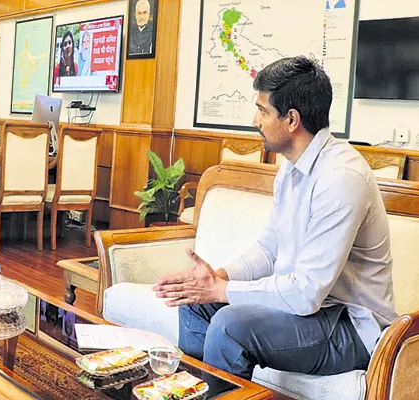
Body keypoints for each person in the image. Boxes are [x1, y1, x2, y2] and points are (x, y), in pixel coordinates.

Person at [153, 56, 397, 381]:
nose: (256, 120)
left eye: (263, 110)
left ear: (291, 119)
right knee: (194, 302)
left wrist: (223, 291)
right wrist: (215, 278)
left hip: (351, 325)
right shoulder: (291, 170)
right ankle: (196, 390)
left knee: (230, 327)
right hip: (313, 311)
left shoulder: (341, 178)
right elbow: (269, 251)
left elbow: (306, 293)